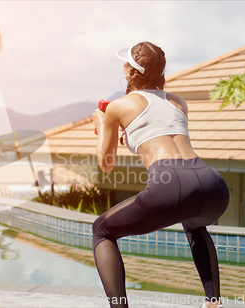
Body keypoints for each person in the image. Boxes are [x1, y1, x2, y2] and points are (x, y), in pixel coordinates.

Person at [92, 41, 229, 308]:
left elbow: (106, 164)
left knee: (102, 231)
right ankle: (213, 303)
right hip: (212, 185)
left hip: (172, 184)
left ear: (131, 71)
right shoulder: (178, 102)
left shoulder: (117, 107)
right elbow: (156, 134)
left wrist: (101, 125)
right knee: (194, 223)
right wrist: (125, 136)